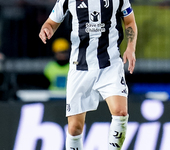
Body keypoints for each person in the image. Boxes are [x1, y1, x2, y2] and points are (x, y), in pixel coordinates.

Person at [39, 0, 137, 149]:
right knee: (74, 128)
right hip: (80, 67)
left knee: (121, 112)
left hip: (110, 65)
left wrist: (131, 48)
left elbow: (129, 22)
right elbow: (51, 22)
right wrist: (47, 29)